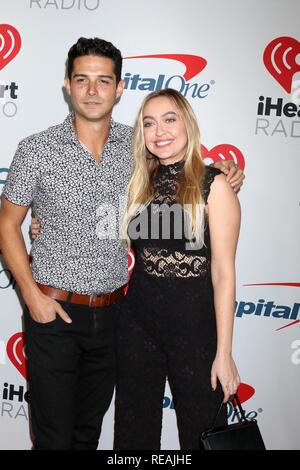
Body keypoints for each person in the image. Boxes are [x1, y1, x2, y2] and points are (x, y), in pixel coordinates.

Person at [0, 36, 243, 450]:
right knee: (54, 438)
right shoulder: (35, 150)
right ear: (67, 85)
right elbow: (8, 225)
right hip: (55, 314)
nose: (93, 91)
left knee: (90, 434)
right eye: (83, 80)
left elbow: (181, 168)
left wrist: (223, 169)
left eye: (103, 80)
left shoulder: (137, 150)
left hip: (115, 318)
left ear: (119, 88)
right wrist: (31, 295)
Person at [113, 88, 241, 450]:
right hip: (137, 324)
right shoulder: (140, 182)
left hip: (195, 330)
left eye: (169, 119)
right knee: (133, 432)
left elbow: (223, 274)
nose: (160, 131)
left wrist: (224, 352)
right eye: (149, 123)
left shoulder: (214, 185)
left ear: (187, 123)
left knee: (202, 432)